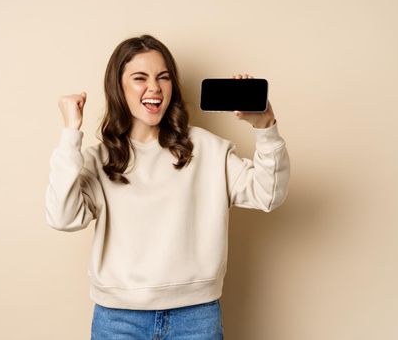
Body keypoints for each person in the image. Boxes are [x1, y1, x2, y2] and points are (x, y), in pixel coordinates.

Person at [45, 34, 290, 339]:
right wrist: (71, 132)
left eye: (163, 77)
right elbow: (62, 217)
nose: (154, 88)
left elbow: (268, 194)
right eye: (140, 78)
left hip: (196, 317)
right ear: (118, 87)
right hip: (118, 320)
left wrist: (265, 127)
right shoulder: (100, 159)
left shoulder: (207, 149)